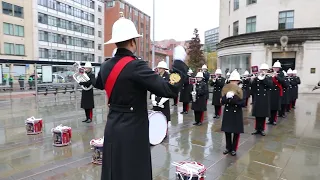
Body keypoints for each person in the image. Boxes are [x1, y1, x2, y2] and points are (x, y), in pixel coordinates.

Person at [95, 14, 188, 180]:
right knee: (133, 172)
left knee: (114, 172)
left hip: (112, 128)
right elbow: (169, 89)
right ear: (132, 41)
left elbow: (98, 83)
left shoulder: (105, 66)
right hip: (133, 131)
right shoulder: (136, 66)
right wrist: (179, 64)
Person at [221, 70, 244, 156]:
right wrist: (226, 97)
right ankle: (228, 147)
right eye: (232, 80)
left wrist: (233, 97)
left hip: (236, 112)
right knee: (227, 131)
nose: (233, 82)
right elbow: (222, 101)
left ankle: (234, 148)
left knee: (236, 132)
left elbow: (242, 103)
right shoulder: (226, 89)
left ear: (238, 81)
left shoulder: (241, 89)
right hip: (228, 112)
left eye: (235, 80)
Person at [251, 63, 273, 136]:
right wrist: (253, 79)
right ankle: (257, 129)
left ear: (267, 70)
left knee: (263, 115)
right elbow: (253, 86)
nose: (263, 71)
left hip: (264, 98)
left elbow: (270, 85)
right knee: (257, 115)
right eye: (262, 69)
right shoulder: (257, 77)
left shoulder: (269, 77)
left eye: (264, 70)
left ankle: (262, 129)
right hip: (257, 98)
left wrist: (263, 78)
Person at [268, 60, 285, 125]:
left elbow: (282, 81)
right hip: (270, 91)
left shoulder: (281, 73)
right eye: (274, 67)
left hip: (277, 92)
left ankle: (274, 120)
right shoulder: (270, 73)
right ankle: (270, 119)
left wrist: (276, 76)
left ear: (279, 68)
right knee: (270, 106)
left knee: (275, 107)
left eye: (277, 68)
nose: (275, 69)